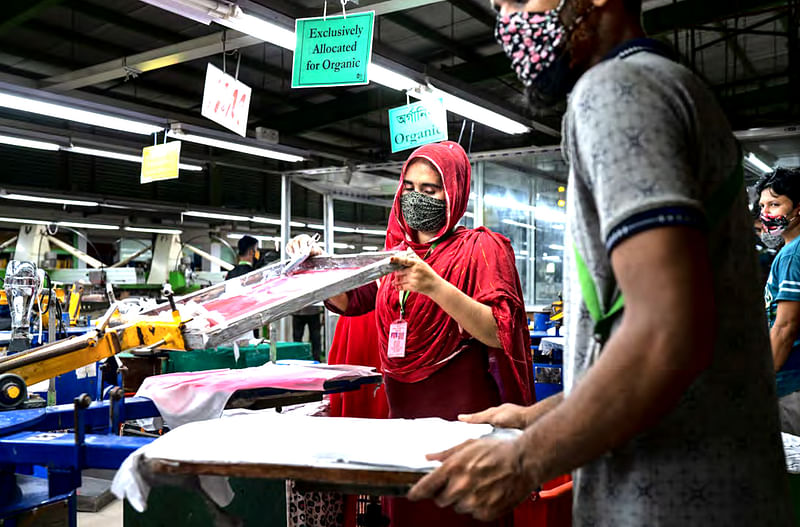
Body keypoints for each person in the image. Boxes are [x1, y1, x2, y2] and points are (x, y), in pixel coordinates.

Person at [408, 0, 792, 525]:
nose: (506, 16)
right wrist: (535, 417)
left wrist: (526, 458)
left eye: (519, 0)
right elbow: (657, 336)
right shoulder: (672, 86)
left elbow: (665, 332)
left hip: (667, 501)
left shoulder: (616, 93)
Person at [289, 140, 533, 527]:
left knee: (462, 513)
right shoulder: (394, 257)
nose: (417, 198)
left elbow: (500, 333)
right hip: (402, 425)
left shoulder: (481, 249)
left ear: (453, 192)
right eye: (410, 188)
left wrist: (434, 286)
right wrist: (313, 266)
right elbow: (353, 299)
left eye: (430, 190)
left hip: (462, 422)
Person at [758, 168, 800, 434]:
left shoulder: (791, 255)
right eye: (762, 206)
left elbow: (785, 328)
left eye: (775, 204)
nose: (766, 213)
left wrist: (757, 384)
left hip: (790, 386)